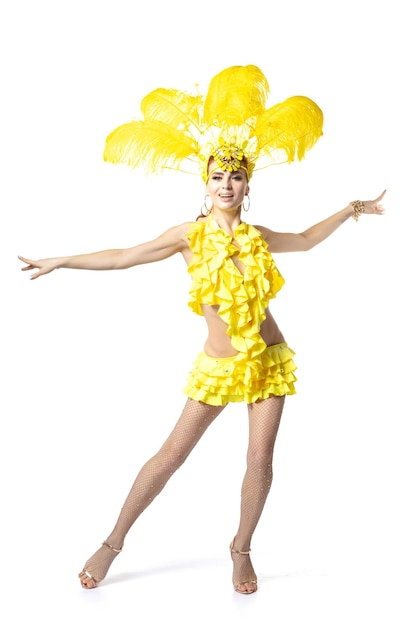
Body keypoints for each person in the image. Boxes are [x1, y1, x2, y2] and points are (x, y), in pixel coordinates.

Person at [18, 65, 386, 594]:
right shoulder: (188, 236)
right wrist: (64, 260)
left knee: (260, 459)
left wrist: (353, 208)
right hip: (218, 368)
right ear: (206, 182)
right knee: (169, 456)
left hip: (267, 361)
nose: (227, 185)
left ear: (247, 183)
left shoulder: (257, 236)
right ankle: (112, 541)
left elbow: (304, 239)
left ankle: (241, 550)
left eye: (236, 177)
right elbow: (124, 256)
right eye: (218, 176)